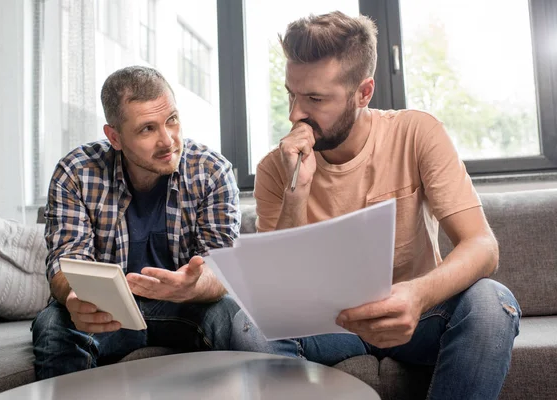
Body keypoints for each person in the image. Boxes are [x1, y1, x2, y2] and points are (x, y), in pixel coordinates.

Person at [252, 11, 521, 399]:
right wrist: (297, 192)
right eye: (291, 94)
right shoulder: (275, 168)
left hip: (416, 318)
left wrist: (417, 296)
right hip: (328, 328)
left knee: (493, 301)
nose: (295, 113)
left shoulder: (417, 132)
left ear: (363, 93)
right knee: (250, 323)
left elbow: (482, 246)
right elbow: (277, 294)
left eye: (314, 98)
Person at [32, 66, 255, 379]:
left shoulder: (212, 171)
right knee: (54, 325)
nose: (168, 141)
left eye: (171, 120)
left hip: (184, 306)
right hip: (109, 309)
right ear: (115, 137)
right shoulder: (76, 173)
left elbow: (221, 269)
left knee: (232, 317)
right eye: (147, 129)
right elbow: (65, 264)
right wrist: (74, 296)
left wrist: (193, 285)